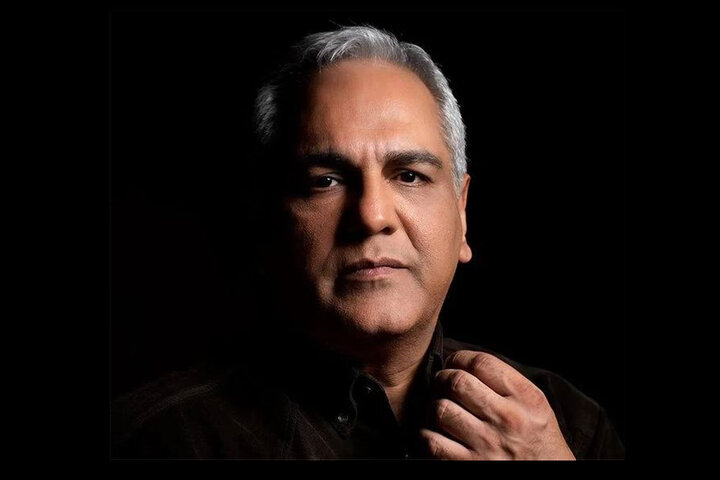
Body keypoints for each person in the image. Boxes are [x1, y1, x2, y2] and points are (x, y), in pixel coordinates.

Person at [111, 25, 625, 460]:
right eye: (325, 181)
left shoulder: (568, 428)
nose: (372, 216)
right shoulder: (163, 440)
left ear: (462, 214)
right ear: (268, 219)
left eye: (409, 176)